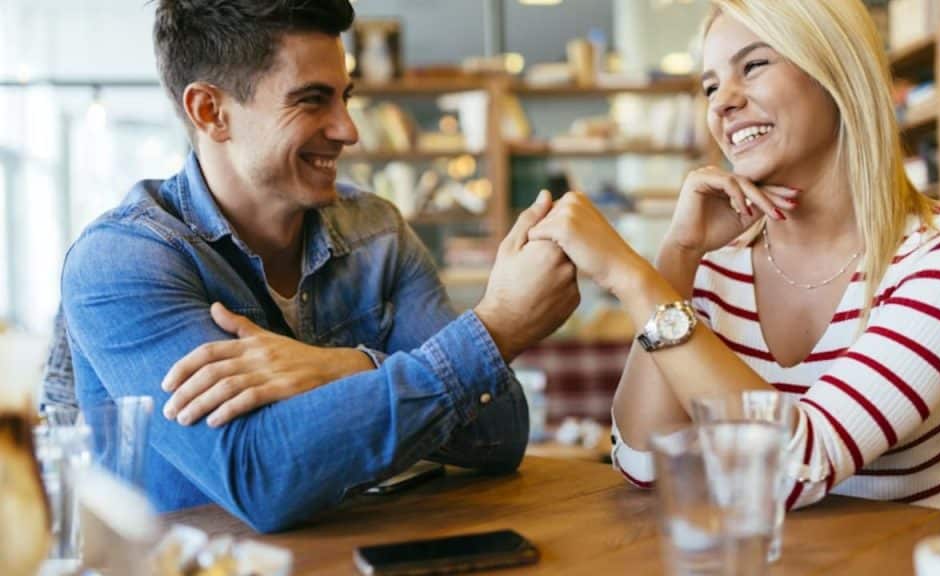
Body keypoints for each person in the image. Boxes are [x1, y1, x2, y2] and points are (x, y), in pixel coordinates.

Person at [58, 0, 579, 533]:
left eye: (345, 98)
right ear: (210, 112)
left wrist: (339, 365)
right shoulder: (123, 261)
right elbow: (260, 476)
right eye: (312, 101)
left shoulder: (377, 234)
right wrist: (495, 330)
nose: (348, 130)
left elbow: (500, 430)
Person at [528, 0, 940, 511]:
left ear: (837, 71)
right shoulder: (714, 266)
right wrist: (679, 253)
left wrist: (627, 275)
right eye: (711, 86)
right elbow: (646, 465)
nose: (721, 104)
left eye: (754, 65)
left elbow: (795, 468)